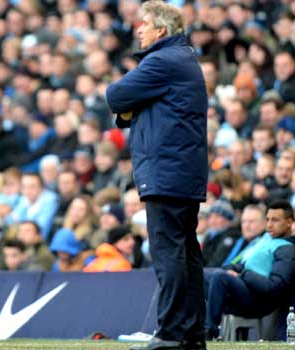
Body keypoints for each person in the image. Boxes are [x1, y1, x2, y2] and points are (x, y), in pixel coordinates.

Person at [105, 2, 208, 349]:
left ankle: (172, 332)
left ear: (161, 30)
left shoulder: (162, 61)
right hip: (182, 170)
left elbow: (116, 95)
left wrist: (133, 104)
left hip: (167, 170)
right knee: (186, 253)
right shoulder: (182, 59)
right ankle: (191, 334)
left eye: (144, 24)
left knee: (170, 254)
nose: (138, 29)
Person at [204, 201, 295, 340]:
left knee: (219, 277)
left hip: (258, 300)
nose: (269, 225)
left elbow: (275, 287)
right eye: (268, 219)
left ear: (289, 222)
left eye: (275, 220)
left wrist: (242, 274)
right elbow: (245, 265)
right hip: (243, 286)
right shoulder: (266, 240)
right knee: (197, 274)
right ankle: (188, 327)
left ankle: (208, 332)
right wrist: (231, 269)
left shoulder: (289, 250)